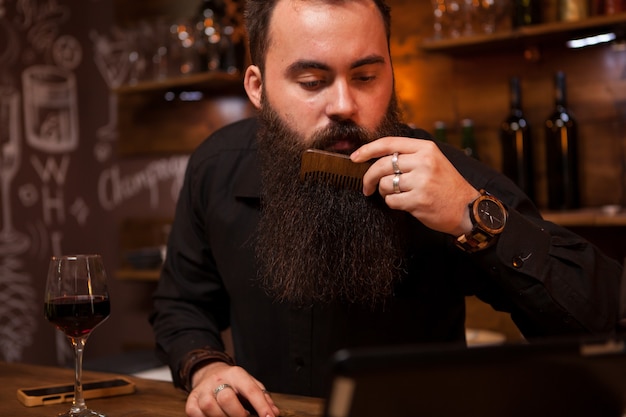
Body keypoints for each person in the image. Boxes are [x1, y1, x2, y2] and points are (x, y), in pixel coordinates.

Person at [149, 0, 624, 416]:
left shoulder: (447, 177)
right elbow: (181, 304)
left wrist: (471, 215)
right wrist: (205, 367)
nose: (343, 105)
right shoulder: (215, 168)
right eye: (312, 81)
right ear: (257, 87)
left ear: (391, 73)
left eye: (366, 77)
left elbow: (604, 321)